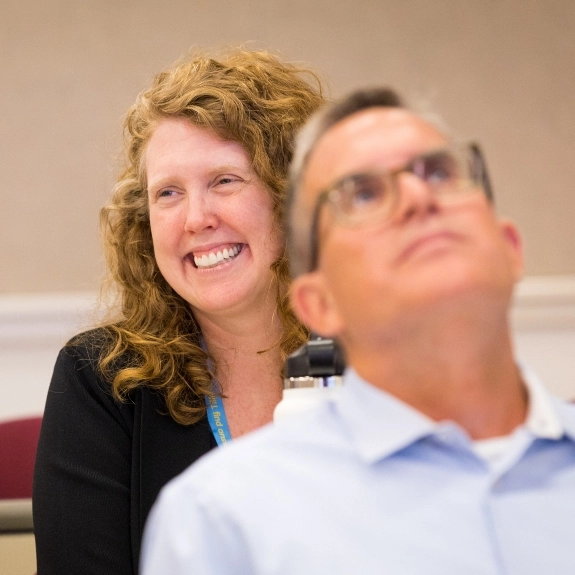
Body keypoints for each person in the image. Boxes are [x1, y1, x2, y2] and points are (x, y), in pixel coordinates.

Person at [141, 88, 575, 575]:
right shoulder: (223, 521)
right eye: (364, 193)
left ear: (510, 248)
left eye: (439, 172)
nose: (417, 196)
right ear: (319, 303)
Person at [32, 49, 324, 575]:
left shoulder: (384, 361)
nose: (195, 218)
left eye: (225, 181)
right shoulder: (103, 380)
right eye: (168, 193)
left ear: (295, 195)